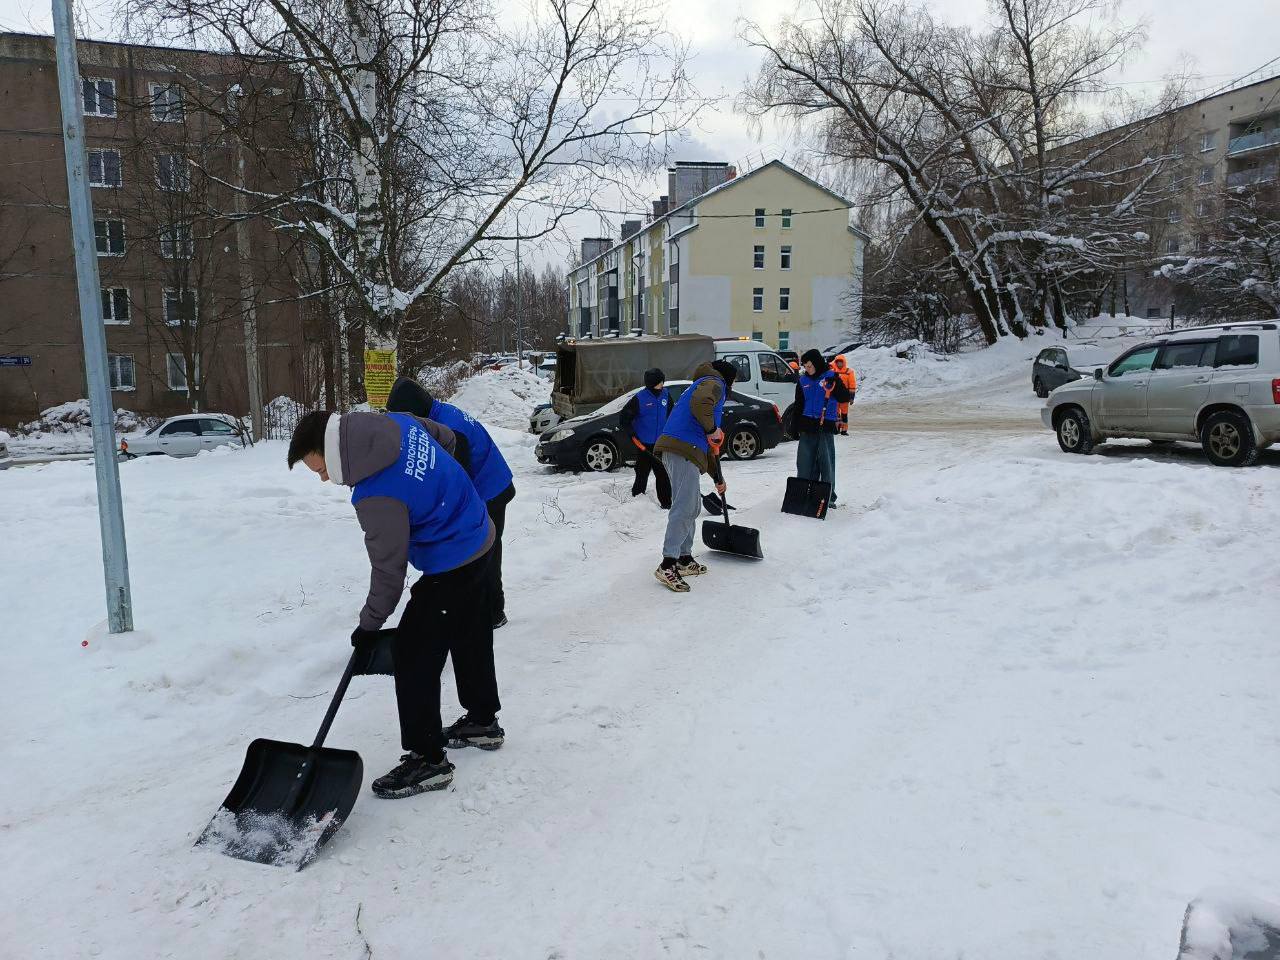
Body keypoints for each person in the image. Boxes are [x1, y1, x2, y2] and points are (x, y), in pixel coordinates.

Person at [287, 410, 505, 799]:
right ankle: (482, 721)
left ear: (333, 451)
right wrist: (448, 493)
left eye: (318, 468)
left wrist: (368, 625)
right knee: (469, 629)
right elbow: (452, 439)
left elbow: (389, 574)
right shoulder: (392, 423)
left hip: (453, 558)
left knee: (413, 651)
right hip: (480, 531)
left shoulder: (375, 494)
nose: (321, 478)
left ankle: (428, 761)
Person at [385, 376, 516, 630]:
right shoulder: (439, 413)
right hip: (491, 483)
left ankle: (493, 612)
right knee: (484, 551)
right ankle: (483, 608)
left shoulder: (450, 427)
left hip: (492, 490)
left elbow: (459, 475)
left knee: (485, 551)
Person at [651, 359, 737, 592]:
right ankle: (668, 563)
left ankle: (683, 557)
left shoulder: (702, 383)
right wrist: (712, 429)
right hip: (681, 449)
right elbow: (701, 406)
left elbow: (708, 446)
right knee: (684, 506)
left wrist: (717, 478)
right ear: (729, 379)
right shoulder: (714, 383)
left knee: (693, 506)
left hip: (685, 449)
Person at [794, 349, 850, 506]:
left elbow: (845, 397)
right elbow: (798, 404)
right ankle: (804, 492)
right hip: (807, 425)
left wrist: (836, 385)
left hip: (825, 426)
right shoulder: (803, 380)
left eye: (810, 365)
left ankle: (827, 495)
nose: (808, 369)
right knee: (804, 462)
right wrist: (794, 426)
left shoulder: (831, 377)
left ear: (817, 363)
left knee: (826, 463)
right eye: (805, 366)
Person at [619, 367, 672, 509]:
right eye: (660, 382)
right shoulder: (639, 399)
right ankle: (637, 503)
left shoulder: (666, 395)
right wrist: (632, 435)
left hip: (661, 444)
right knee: (642, 474)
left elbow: (672, 416)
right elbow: (624, 419)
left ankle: (667, 505)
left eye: (662, 381)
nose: (662, 384)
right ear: (652, 383)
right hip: (643, 445)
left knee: (663, 475)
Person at [831, 354, 858, 436]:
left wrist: (852, 398)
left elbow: (852, 385)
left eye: (841, 362)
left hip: (845, 396)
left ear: (844, 362)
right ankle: (835, 429)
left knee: (844, 414)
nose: (839, 364)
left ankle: (844, 430)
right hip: (835, 396)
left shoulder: (849, 372)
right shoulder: (832, 372)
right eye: (837, 362)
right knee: (835, 413)